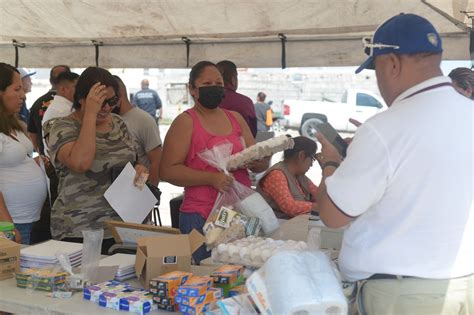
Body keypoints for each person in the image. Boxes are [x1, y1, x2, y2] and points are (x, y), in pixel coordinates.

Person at [315, 13, 473, 314]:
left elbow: (333, 216)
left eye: (375, 70)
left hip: (403, 296)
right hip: (464, 284)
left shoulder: (383, 129)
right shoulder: (469, 113)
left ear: (392, 64)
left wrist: (332, 165)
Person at [160, 61, 269, 263]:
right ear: (192, 89)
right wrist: (210, 178)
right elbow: (167, 171)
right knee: (205, 274)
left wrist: (261, 159)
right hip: (202, 216)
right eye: (207, 83)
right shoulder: (185, 122)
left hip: (240, 212)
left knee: (240, 270)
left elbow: (257, 161)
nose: (214, 87)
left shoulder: (236, 118)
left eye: (218, 83)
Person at [45, 67, 147, 254]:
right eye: (100, 102)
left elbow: (132, 161)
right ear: (82, 99)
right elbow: (81, 163)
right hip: (80, 228)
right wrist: (90, 115)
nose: (107, 108)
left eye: (112, 101)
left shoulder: (118, 123)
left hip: (122, 227)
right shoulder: (62, 127)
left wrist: (139, 170)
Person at [0, 63, 47, 244]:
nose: (23, 95)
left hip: (26, 220)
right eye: (17, 89)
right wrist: (7, 225)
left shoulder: (13, 123)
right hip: (11, 222)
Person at [114, 75, 162, 186]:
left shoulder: (144, 120)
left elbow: (156, 162)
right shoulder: (107, 119)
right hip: (112, 195)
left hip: (137, 191)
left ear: (119, 95)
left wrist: (146, 193)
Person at [257, 136, 319, 218]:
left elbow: (320, 196)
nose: (311, 164)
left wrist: (325, 169)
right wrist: (316, 207)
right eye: (312, 159)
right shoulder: (277, 175)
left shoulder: (299, 175)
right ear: (301, 155)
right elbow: (289, 206)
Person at [27, 65, 71, 155]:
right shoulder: (74, 104)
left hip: (47, 159)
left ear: (50, 80)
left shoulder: (37, 103)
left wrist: (41, 154)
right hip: (69, 158)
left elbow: (32, 135)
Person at [216, 60, 257, 137]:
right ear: (233, 79)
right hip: (243, 147)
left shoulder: (207, 101)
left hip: (212, 148)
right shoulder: (245, 102)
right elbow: (253, 132)